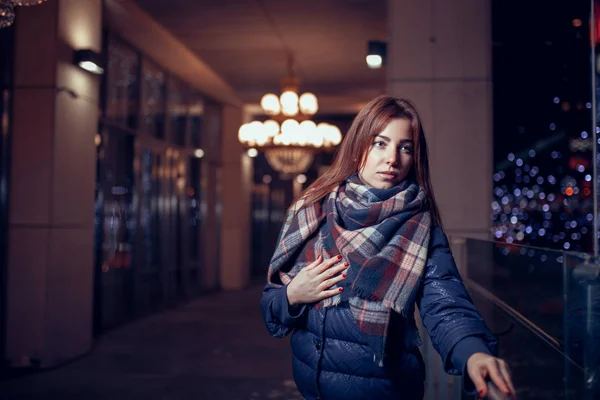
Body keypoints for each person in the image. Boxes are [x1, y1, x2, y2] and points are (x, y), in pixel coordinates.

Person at [260, 95, 516, 400]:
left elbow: (445, 305)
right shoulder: (312, 211)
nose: (393, 158)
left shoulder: (420, 226)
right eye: (380, 143)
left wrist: (474, 354)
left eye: (405, 147)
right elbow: (271, 307)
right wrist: (292, 295)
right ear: (358, 148)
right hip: (312, 391)